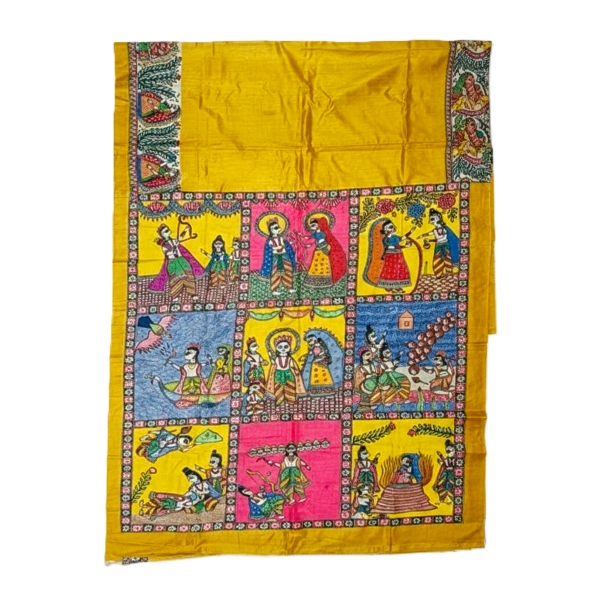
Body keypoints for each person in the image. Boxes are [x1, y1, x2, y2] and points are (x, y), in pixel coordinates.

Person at [139, 467, 220, 519]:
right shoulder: (193, 487)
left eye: (191, 478)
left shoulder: (205, 484)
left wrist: (205, 495)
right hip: (188, 498)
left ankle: (152, 512)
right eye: (189, 478)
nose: (190, 480)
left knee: (172, 507)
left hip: (192, 501)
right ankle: (153, 504)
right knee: (177, 501)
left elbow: (215, 494)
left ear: (197, 476)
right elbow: (189, 493)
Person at [149, 223, 204, 299]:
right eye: (165, 231)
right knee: (175, 278)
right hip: (173, 262)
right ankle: (175, 295)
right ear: (162, 235)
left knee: (189, 274)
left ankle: (192, 293)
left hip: (181, 260)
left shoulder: (174, 240)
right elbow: (167, 253)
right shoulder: (164, 244)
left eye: (168, 230)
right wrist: (173, 250)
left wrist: (185, 230)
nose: (167, 232)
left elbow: (180, 238)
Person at [303, 217, 346, 288]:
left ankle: (325, 281)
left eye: (313, 225)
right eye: (311, 226)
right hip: (319, 248)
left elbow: (321, 238)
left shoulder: (322, 233)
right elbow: (310, 237)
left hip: (323, 248)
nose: (311, 227)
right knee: (316, 264)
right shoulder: (316, 233)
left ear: (318, 225)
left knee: (323, 264)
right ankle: (314, 280)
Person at [162, 344, 209, 408]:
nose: (185, 354)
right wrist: (172, 363)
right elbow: (179, 368)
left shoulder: (198, 365)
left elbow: (204, 364)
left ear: (195, 354)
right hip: (186, 382)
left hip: (197, 382)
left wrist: (208, 363)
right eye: (185, 353)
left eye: (188, 353)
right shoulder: (186, 365)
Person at [259, 218, 297, 296]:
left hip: (285, 257)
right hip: (276, 258)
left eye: (278, 227)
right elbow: (269, 251)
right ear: (271, 230)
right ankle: (274, 289)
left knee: (288, 271)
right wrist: (279, 247)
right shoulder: (269, 241)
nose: (278, 229)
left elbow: (287, 247)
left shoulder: (282, 238)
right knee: (275, 273)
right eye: (276, 228)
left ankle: (289, 287)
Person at [418, 209, 460, 278]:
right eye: (430, 220)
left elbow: (442, 238)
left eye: (432, 219)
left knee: (447, 259)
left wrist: (429, 239)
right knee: (437, 259)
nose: (431, 222)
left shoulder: (445, 229)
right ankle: (438, 274)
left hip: (445, 245)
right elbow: (433, 237)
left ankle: (449, 273)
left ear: (438, 218)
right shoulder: (434, 230)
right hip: (438, 246)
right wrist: (424, 237)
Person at [266, 335, 306, 405]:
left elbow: (293, 366)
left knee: (290, 388)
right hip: (278, 374)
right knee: (278, 388)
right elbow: (274, 365)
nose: (283, 349)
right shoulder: (276, 358)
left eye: (286, 347)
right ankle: (280, 401)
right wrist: (271, 359)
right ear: (276, 348)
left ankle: (291, 401)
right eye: (280, 347)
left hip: (288, 374)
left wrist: (295, 371)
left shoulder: (290, 358)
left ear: (289, 348)